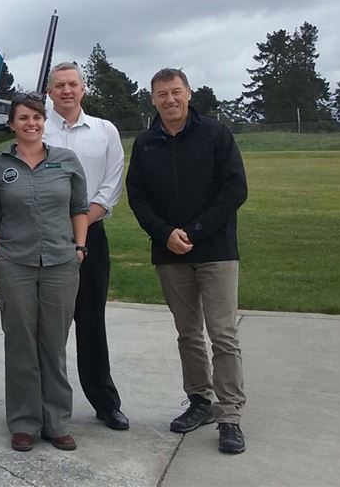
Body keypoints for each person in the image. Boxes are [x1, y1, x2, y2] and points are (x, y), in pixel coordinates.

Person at [125, 68, 248, 454]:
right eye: (162, 94)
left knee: (223, 335)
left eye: (176, 92)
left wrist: (194, 231)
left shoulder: (215, 134)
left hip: (215, 251)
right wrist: (165, 233)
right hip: (169, 253)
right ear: (153, 99)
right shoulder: (145, 143)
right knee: (188, 333)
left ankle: (230, 416)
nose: (170, 99)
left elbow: (235, 189)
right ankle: (200, 402)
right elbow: (138, 197)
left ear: (189, 94)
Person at [0, 92, 89, 452]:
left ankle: (57, 422)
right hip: (15, 265)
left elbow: (79, 207)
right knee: (21, 344)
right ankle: (24, 423)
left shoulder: (66, 161)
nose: (31, 123)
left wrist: (79, 248)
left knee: (54, 345)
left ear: (45, 122)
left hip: (61, 263)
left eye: (37, 117)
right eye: (23, 118)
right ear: (11, 124)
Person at [42, 61, 130, 431]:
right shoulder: (36, 128)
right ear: (49, 91)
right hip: (43, 236)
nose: (66, 90)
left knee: (91, 321)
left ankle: (105, 402)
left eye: (73, 84)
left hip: (91, 235)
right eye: (59, 85)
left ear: (83, 88)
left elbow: (111, 183)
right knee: (46, 326)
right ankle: (44, 403)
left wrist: (82, 221)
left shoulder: (104, 131)